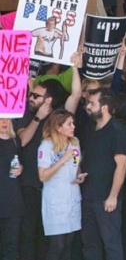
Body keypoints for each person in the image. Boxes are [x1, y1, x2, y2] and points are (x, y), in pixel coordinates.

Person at [17, 54, 81, 260]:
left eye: (36, 95)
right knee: (28, 232)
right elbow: (23, 141)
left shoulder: (59, 119)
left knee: (55, 239)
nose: (30, 97)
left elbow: (76, 95)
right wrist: (38, 118)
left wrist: (75, 65)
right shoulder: (26, 115)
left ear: (49, 100)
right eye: (31, 94)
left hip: (55, 190)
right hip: (30, 185)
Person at [80, 88, 126, 260]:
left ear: (104, 107)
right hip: (87, 195)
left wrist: (113, 196)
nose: (88, 106)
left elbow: (122, 165)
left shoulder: (117, 130)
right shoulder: (90, 128)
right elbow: (85, 157)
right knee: (89, 243)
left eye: (92, 103)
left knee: (111, 244)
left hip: (106, 198)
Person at [37, 109, 84, 260]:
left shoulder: (74, 144)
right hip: (56, 200)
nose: (73, 127)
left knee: (69, 243)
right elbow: (43, 175)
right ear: (58, 127)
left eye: (73, 123)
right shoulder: (46, 146)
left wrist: (79, 176)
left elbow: (77, 165)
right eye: (69, 124)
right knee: (57, 245)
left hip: (72, 198)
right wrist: (62, 159)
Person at [0, 118, 23, 260]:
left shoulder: (15, 141)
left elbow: (20, 162)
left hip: (12, 198)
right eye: (1, 118)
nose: (4, 122)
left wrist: (21, 168)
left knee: (11, 244)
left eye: (7, 119)